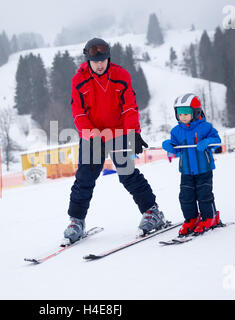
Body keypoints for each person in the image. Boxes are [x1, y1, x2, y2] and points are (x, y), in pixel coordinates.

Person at [63, 38, 166, 244]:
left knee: (127, 174)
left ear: (108, 58)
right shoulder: (79, 80)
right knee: (84, 178)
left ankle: (152, 212)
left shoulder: (121, 75)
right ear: (88, 60)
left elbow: (129, 107)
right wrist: (93, 135)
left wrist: (133, 133)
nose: (100, 64)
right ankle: (76, 221)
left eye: (103, 60)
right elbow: (78, 113)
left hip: (118, 131)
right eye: (95, 61)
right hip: (92, 134)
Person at [162, 93, 222, 236]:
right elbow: (175, 148)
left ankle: (210, 217)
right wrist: (170, 146)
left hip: (204, 169)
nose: (182, 117)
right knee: (185, 196)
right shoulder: (176, 131)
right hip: (186, 170)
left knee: (204, 194)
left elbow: (216, 139)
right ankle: (191, 219)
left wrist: (207, 142)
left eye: (186, 113)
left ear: (195, 112)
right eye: (179, 113)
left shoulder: (205, 127)